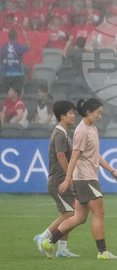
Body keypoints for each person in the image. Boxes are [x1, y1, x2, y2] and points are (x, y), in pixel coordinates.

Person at [41, 98, 117, 260]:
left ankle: (49, 242)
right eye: (98, 113)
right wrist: (68, 178)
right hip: (86, 179)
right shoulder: (82, 131)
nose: (100, 116)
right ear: (88, 112)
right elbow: (74, 157)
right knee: (99, 213)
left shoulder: (92, 129)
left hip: (86, 179)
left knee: (79, 218)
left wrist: (111, 170)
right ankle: (103, 252)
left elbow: (94, 154)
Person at [33, 101, 80, 257]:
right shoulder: (59, 133)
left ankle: (62, 250)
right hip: (59, 181)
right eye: (71, 113)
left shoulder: (63, 133)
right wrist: (69, 177)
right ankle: (44, 237)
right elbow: (60, 155)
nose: (74, 116)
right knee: (71, 214)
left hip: (58, 180)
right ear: (62, 116)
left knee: (68, 214)